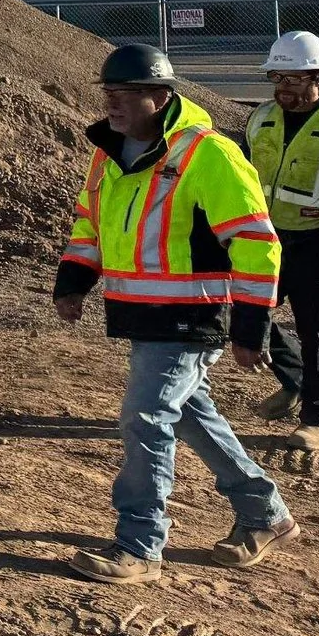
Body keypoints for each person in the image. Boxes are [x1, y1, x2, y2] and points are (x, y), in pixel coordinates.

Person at [54, 43, 294, 583]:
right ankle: (264, 513)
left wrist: (251, 324)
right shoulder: (109, 154)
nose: (112, 103)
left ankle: (140, 545)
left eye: (125, 93)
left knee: (145, 417)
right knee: (187, 412)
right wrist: (74, 280)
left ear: (160, 97)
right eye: (109, 92)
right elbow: (90, 222)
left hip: (191, 315)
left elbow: (256, 243)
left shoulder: (209, 154)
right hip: (141, 314)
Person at [243, 31, 319, 454]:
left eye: (293, 79)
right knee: (247, 315)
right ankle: (295, 380)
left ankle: (317, 419)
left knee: (317, 333)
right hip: (265, 240)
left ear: (318, 77)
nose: (283, 87)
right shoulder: (260, 119)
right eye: (277, 77)